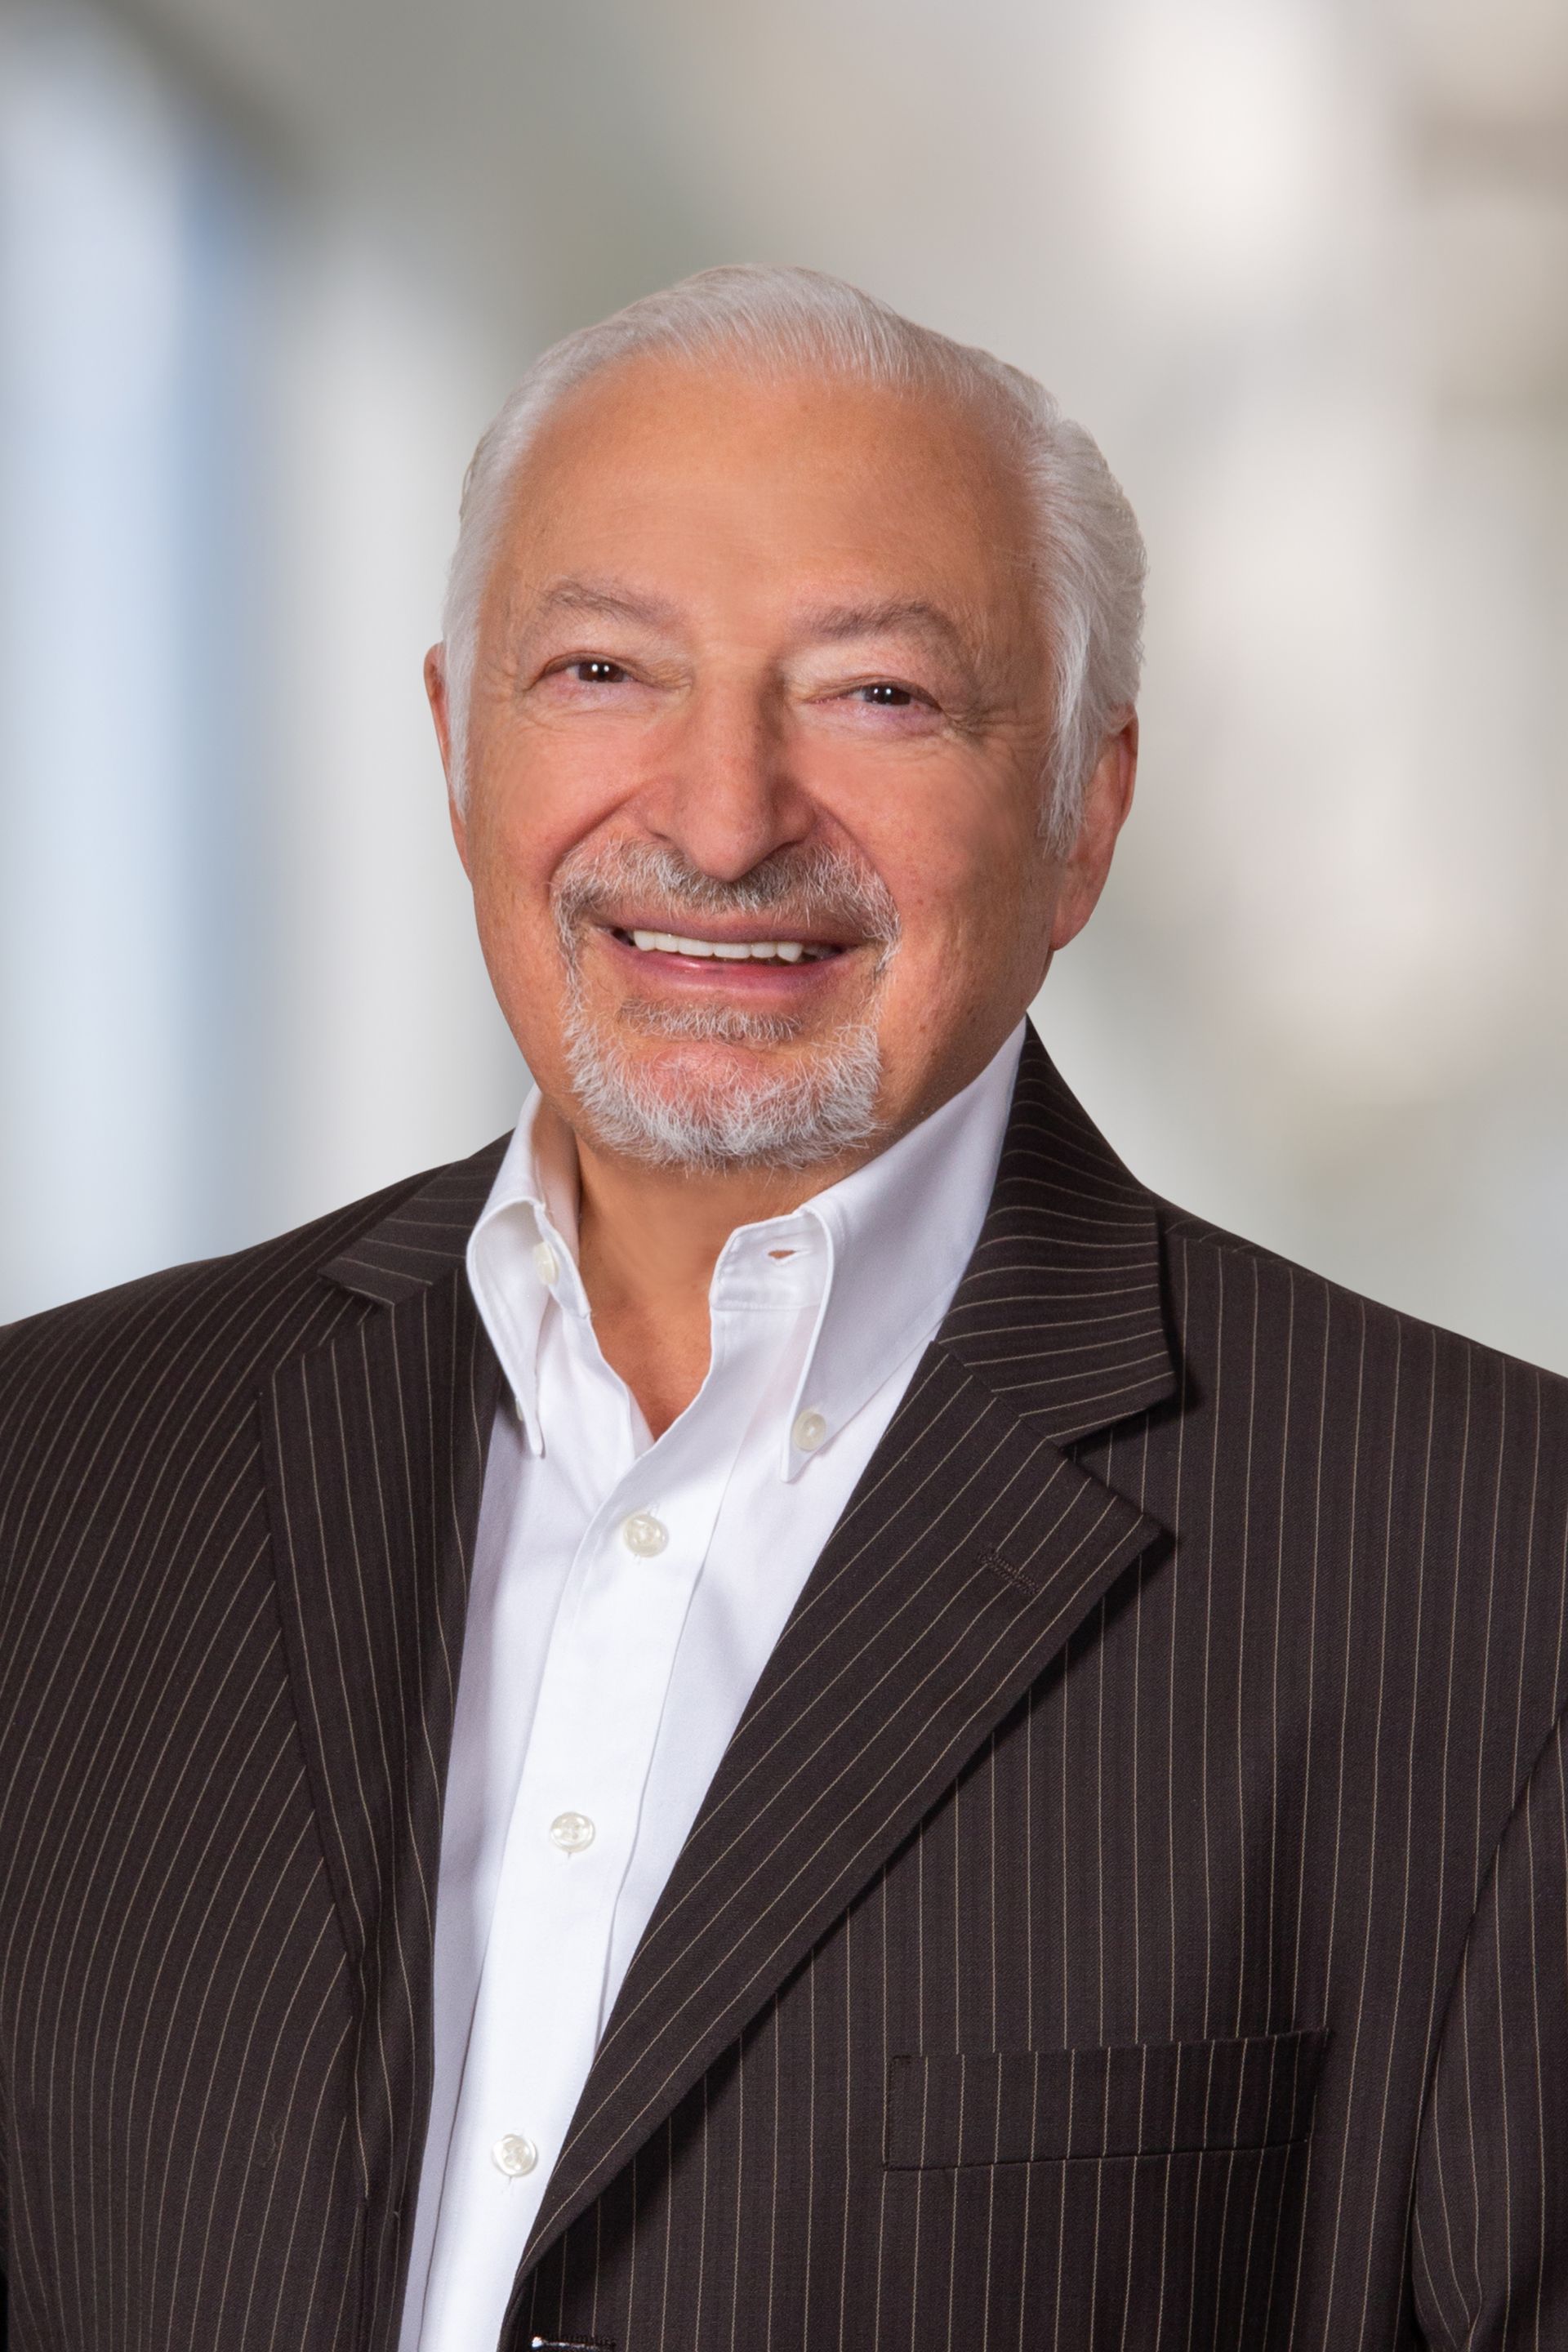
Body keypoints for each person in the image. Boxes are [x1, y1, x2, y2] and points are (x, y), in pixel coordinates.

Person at [1, 264, 1564, 2352]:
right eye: (601, 671)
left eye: (877, 696)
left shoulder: (1489, 1567)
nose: (722, 818)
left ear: (1086, 809)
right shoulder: (61, 1472)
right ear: (458, 742)